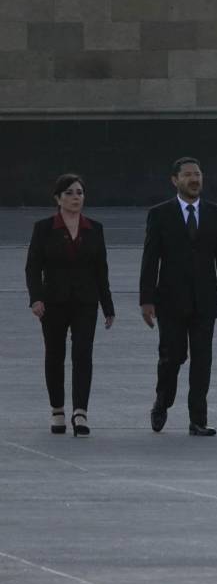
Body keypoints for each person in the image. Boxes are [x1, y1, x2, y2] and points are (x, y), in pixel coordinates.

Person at [139, 157, 217, 437]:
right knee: (172, 357)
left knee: (202, 359)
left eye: (198, 174)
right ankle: (163, 400)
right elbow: (150, 259)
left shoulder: (216, 213)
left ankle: (198, 419)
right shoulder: (160, 214)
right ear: (175, 180)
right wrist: (146, 300)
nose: (194, 179)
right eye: (188, 175)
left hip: (205, 301)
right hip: (170, 300)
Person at [25, 174, 114, 436]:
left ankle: (81, 412)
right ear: (58, 198)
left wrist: (107, 306)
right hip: (53, 302)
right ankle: (57, 411)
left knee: (83, 353)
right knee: (55, 354)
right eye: (70, 193)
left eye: (80, 193)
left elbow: (101, 270)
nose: (76, 198)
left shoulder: (94, 228)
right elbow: (33, 267)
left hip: (86, 301)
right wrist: (36, 297)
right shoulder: (44, 228)